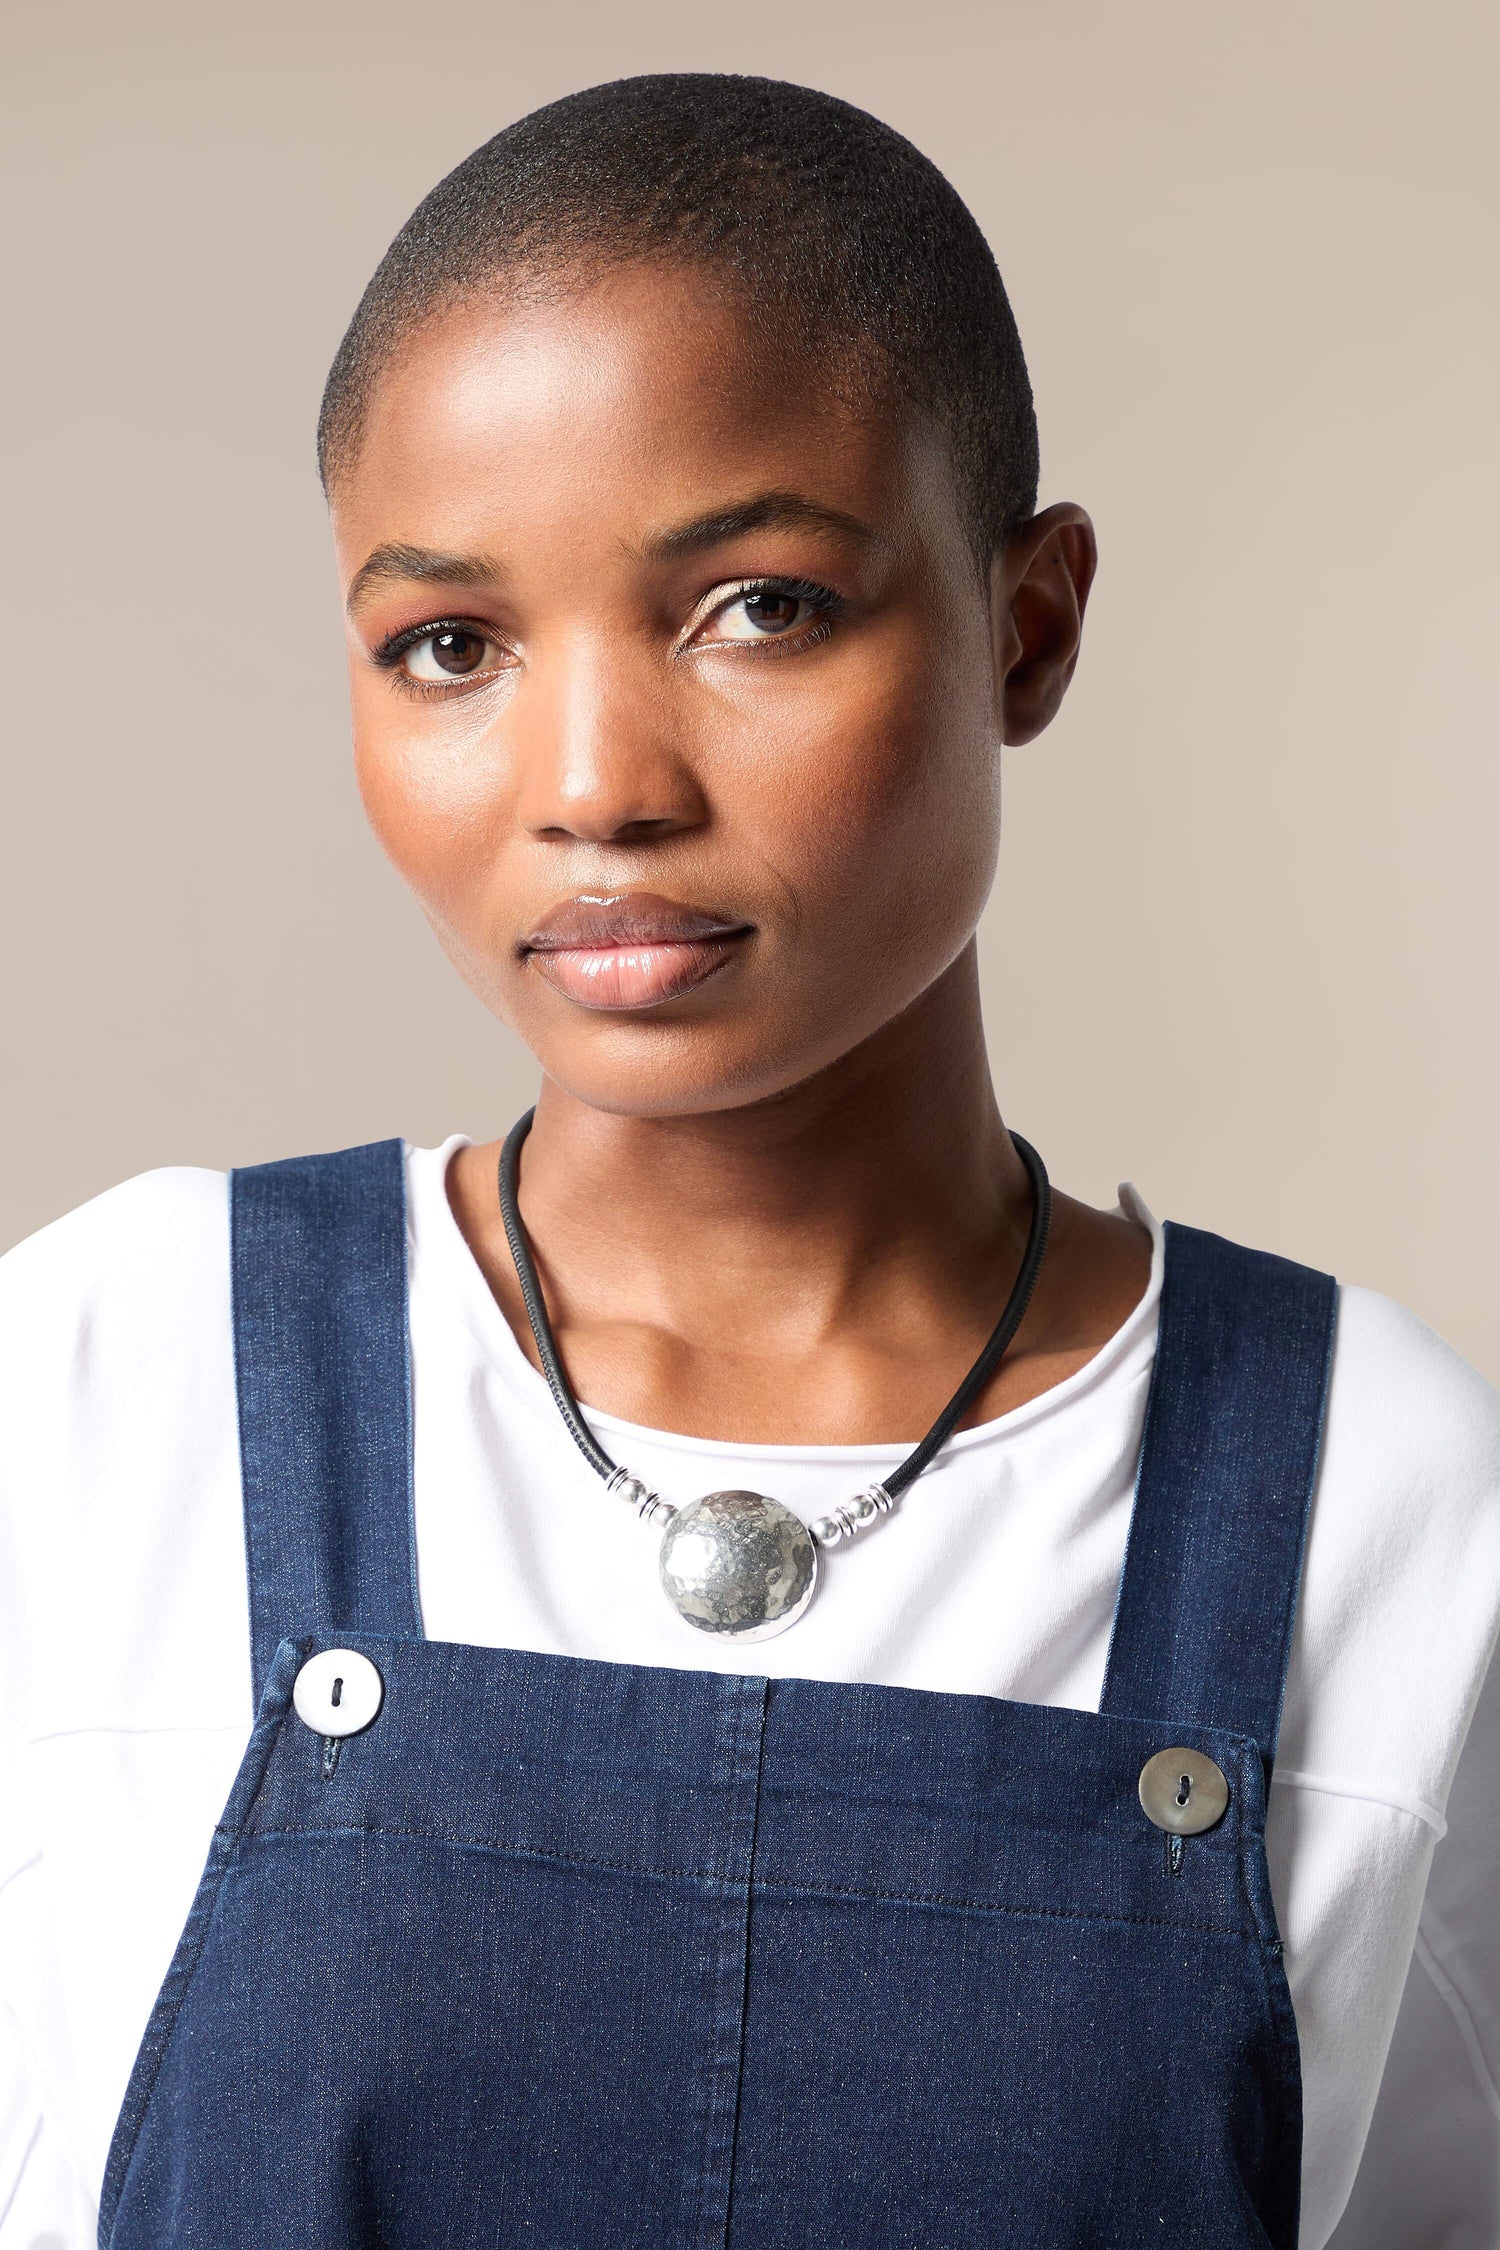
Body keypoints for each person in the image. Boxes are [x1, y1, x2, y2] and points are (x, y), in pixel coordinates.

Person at [2, 72, 1497, 2250]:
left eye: (760, 607)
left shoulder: (1393, 1501)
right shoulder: (91, 1388)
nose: (595, 782)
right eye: (450, 646)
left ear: (1031, 625)